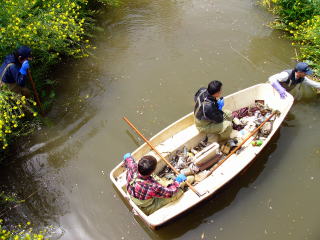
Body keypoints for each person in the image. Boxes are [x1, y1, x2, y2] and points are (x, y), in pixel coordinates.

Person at [123, 153, 188, 215]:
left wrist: (128, 157)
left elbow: (129, 159)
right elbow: (171, 192)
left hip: (131, 194)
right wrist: (177, 181)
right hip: (146, 206)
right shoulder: (153, 187)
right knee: (178, 192)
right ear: (152, 171)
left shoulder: (132, 167)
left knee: (158, 183)